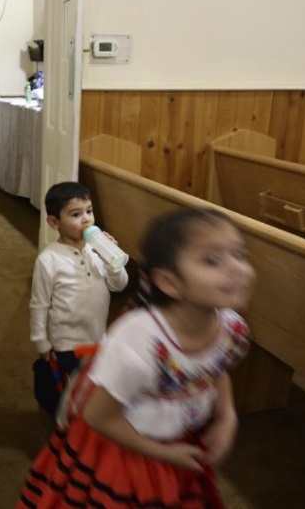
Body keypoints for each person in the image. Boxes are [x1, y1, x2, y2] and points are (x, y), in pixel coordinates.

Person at [17, 208, 255, 509]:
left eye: (241, 254)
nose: (237, 268)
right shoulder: (138, 343)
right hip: (124, 448)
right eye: (212, 260)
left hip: (178, 436)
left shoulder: (231, 327)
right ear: (169, 282)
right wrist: (164, 453)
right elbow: (99, 416)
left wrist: (226, 416)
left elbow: (215, 368)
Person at [29, 182, 129, 415]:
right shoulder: (49, 259)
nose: (86, 219)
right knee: (72, 390)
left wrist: (110, 260)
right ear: (55, 223)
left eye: (89, 211)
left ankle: (86, 424)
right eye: (76, 214)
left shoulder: (96, 253)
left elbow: (119, 285)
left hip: (97, 337)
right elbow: (39, 304)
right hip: (67, 342)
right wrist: (40, 341)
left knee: (93, 387)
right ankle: (66, 424)